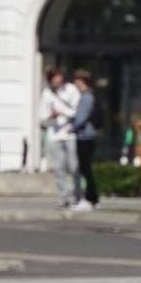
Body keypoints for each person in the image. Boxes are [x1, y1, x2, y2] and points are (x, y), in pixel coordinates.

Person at [40, 69, 81, 210]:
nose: (57, 81)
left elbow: (76, 111)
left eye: (59, 78)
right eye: (54, 78)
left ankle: (78, 195)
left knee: (73, 165)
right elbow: (42, 117)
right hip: (54, 134)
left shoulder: (71, 90)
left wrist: (62, 112)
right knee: (59, 168)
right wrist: (50, 116)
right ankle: (63, 197)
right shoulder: (46, 93)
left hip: (69, 132)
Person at [70, 70, 100, 210]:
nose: (75, 83)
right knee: (86, 168)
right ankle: (93, 198)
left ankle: (89, 198)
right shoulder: (90, 95)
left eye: (77, 80)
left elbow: (81, 116)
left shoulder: (86, 97)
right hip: (87, 135)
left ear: (82, 81)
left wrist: (72, 127)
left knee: (85, 168)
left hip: (84, 135)